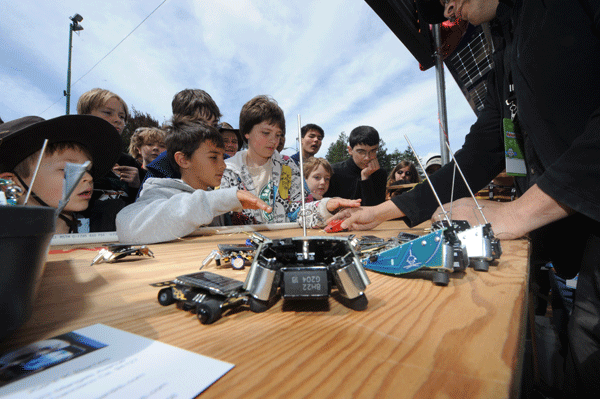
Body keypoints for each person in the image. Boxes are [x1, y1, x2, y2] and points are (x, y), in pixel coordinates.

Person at [338, 1, 600, 395]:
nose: (442, 6)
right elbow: (479, 152)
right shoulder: (505, 44)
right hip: (573, 244)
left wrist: (518, 213)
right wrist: (385, 210)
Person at [116, 117, 270, 244]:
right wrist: (218, 201)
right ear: (183, 160)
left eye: (222, 157)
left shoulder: (213, 197)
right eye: (213, 157)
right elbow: (127, 227)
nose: (223, 165)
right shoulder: (159, 192)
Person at [220, 95, 359, 226]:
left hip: (283, 245)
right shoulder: (227, 170)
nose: (273, 140)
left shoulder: (287, 166)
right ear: (247, 132)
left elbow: (299, 211)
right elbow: (221, 216)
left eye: (278, 135)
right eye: (266, 133)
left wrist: (326, 207)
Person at [0, 115, 121, 234]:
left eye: (88, 170)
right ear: (9, 183)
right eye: (67, 169)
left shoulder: (112, 224)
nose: (88, 178)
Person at [77, 88, 142, 202]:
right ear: (85, 115)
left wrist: (136, 186)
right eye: (108, 113)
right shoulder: (71, 154)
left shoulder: (128, 162)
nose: (118, 120)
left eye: (122, 116)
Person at [143, 89, 222, 181]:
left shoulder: (226, 162)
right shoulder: (161, 168)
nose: (211, 132)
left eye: (214, 125)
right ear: (180, 125)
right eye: (201, 125)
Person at [323, 125, 386, 206]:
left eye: (373, 151)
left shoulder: (380, 174)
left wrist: (366, 179)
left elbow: (376, 211)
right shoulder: (333, 171)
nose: (367, 158)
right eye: (361, 151)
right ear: (350, 150)